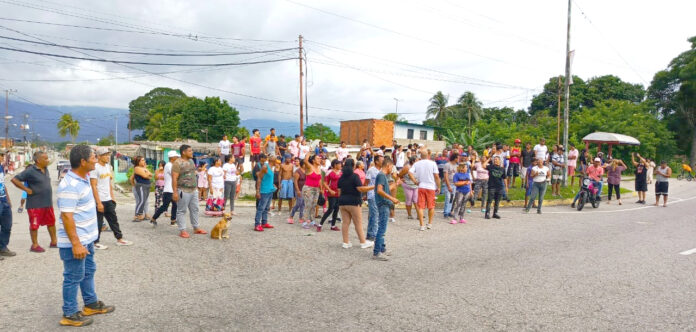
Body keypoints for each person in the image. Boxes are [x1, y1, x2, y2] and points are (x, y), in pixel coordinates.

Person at [56, 144, 115, 327]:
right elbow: (67, 216)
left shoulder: (85, 178)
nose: (96, 160)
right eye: (93, 158)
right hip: (76, 242)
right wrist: (76, 244)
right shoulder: (70, 185)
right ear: (83, 161)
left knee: (88, 272)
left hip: (87, 239)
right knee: (73, 277)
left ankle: (90, 303)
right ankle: (70, 313)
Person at [12, 150, 57, 252]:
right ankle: (35, 245)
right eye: (45, 158)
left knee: (51, 223)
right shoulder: (30, 171)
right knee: (34, 225)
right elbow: (14, 179)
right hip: (35, 204)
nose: (47, 160)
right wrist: (26, 189)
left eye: (47, 158)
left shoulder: (46, 168)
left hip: (47, 203)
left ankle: (54, 242)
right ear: (38, 160)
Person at [89, 147, 132, 249]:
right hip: (99, 199)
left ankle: (119, 238)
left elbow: (109, 183)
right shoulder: (94, 168)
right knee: (98, 222)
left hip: (108, 199)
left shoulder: (108, 167)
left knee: (113, 220)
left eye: (108, 155)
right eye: (105, 155)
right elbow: (93, 186)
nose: (108, 157)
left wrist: (112, 197)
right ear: (98, 156)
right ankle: (95, 242)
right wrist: (98, 202)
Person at [337, 158, 374, 249]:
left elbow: (339, 192)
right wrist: (373, 187)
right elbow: (360, 189)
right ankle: (363, 242)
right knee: (358, 223)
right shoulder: (355, 176)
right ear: (353, 166)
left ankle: (345, 242)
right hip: (353, 202)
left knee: (345, 222)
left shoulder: (341, 178)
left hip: (342, 202)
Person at [172, 144, 208, 238]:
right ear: (184, 152)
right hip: (183, 190)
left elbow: (193, 173)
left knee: (195, 209)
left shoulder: (191, 161)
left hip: (193, 190)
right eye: (190, 151)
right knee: (181, 210)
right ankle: (182, 230)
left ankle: (196, 228)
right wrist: (175, 192)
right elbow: (174, 178)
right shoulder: (177, 163)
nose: (192, 152)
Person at [372, 157, 399, 261]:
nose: (392, 169)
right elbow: (379, 190)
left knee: (382, 227)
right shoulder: (382, 175)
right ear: (388, 165)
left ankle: (382, 249)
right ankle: (376, 252)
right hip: (383, 203)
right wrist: (392, 198)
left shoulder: (382, 176)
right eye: (391, 166)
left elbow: (385, 189)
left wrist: (396, 185)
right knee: (382, 229)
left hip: (384, 203)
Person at [412, 148, 440, 230]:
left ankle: (422, 225)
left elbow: (410, 172)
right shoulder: (433, 163)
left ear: (420, 156)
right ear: (428, 155)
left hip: (421, 186)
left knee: (421, 206)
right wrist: (438, 186)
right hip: (431, 187)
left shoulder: (417, 164)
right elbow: (436, 176)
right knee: (431, 206)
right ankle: (430, 223)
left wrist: (414, 181)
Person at [151, 151, 179, 226]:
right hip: (168, 189)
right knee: (164, 206)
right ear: (172, 157)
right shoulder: (169, 165)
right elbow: (175, 175)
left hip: (171, 189)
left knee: (175, 205)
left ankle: (173, 220)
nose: (177, 158)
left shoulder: (171, 165)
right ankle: (153, 218)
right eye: (176, 157)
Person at [254, 153, 276, 231]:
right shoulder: (265, 167)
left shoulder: (272, 167)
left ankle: (264, 222)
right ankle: (257, 224)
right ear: (271, 159)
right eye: (275, 158)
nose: (276, 159)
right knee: (261, 208)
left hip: (270, 190)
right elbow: (259, 178)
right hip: (264, 191)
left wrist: (273, 185)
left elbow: (268, 178)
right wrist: (257, 191)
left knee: (266, 208)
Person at [318, 159, 341, 231]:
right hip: (331, 193)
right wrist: (330, 190)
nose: (340, 165)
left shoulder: (341, 172)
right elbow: (325, 183)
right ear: (335, 165)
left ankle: (333, 225)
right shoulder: (329, 172)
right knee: (330, 209)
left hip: (339, 193)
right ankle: (320, 224)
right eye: (339, 164)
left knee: (336, 209)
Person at [0, 151, 15, 260]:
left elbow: (2, 184)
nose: (3, 157)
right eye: (1, 155)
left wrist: (8, 199)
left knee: (7, 225)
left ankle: (3, 248)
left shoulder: (1, 168)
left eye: (3, 155)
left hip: (4, 200)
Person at [364, 154, 383, 239]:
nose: (383, 162)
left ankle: (370, 233)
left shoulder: (382, 171)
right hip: (372, 195)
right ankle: (373, 234)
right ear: (376, 161)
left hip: (380, 195)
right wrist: (365, 194)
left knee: (375, 215)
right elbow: (366, 183)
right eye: (381, 160)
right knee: (375, 215)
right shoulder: (371, 170)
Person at [289, 159, 306, 224]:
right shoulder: (298, 171)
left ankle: (301, 217)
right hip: (299, 189)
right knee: (299, 203)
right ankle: (291, 215)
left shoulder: (306, 171)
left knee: (303, 204)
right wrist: (297, 190)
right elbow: (295, 181)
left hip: (304, 189)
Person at [442, 152, 458, 218]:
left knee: (452, 199)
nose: (458, 159)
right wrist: (448, 186)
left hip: (454, 184)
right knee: (448, 198)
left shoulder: (457, 166)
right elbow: (445, 176)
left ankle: (449, 211)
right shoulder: (447, 165)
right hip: (448, 184)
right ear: (454, 158)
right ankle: (445, 212)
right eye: (457, 158)